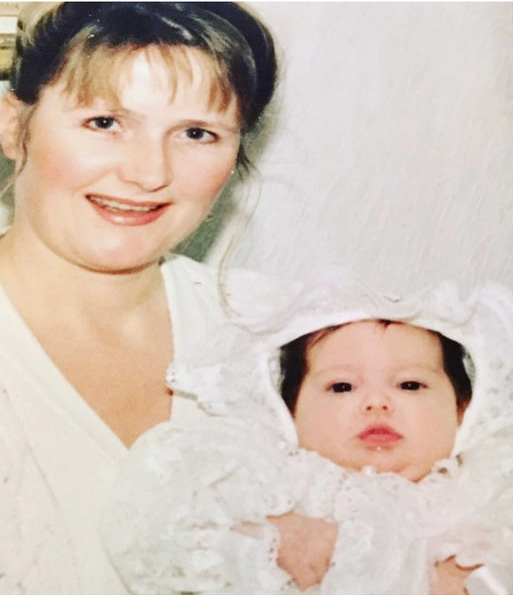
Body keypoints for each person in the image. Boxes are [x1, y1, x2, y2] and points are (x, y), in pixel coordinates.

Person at [0, 3, 330, 593]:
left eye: (197, 134)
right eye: (104, 122)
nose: (149, 173)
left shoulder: (285, 338)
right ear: (12, 126)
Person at [102, 277, 513, 594]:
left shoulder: (497, 486)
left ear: (465, 411)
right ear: (286, 413)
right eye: (341, 386)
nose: (377, 402)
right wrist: (280, 539)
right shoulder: (280, 482)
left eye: (410, 384)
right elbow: (162, 519)